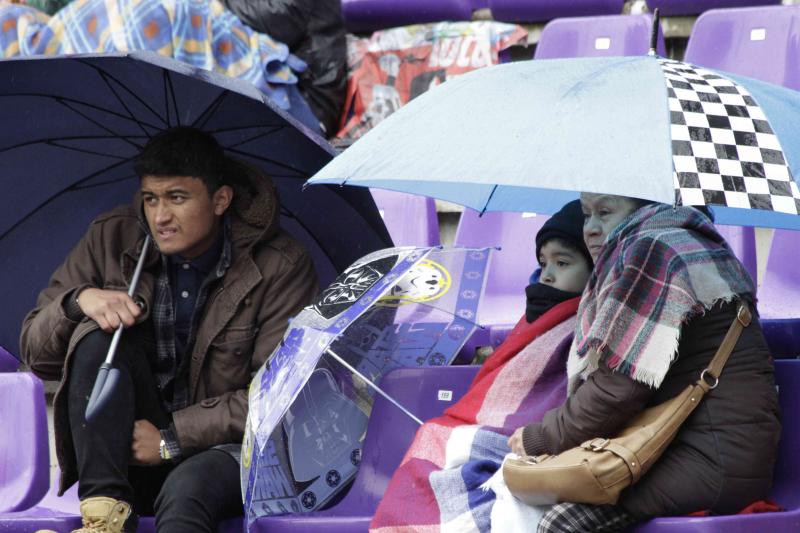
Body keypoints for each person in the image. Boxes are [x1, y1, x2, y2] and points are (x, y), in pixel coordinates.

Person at [20, 127, 319, 533]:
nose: (160, 217)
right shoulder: (111, 237)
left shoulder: (279, 266)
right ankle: (104, 520)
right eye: (150, 199)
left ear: (220, 200)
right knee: (98, 332)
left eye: (177, 198)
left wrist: (171, 438)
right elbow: (36, 355)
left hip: (232, 456)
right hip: (125, 454)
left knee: (187, 487)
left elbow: (280, 396)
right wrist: (77, 302)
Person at [511, 194, 781, 533]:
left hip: (709, 461)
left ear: (644, 207)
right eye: (587, 214)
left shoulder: (654, 249)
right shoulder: (691, 240)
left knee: (558, 521)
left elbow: (617, 389)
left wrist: (538, 438)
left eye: (605, 212)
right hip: (714, 453)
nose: (591, 229)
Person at [370, 200, 593, 532]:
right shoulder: (538, 315)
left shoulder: (591, 322)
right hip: (516, 436)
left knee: (453, 448)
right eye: (543, 262)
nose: (547, 274)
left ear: (595, 268)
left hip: (541, 442)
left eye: (563, 262)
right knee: (435, 437)